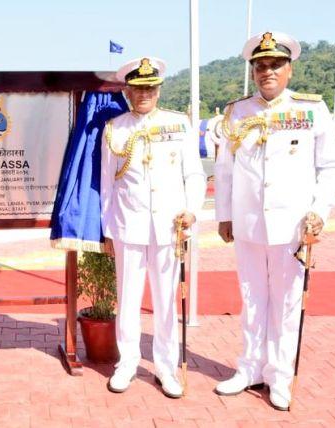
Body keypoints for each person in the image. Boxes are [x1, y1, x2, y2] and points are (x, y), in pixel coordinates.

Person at [214, 31, 335, 410]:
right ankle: (249, 367)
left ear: (289, 69)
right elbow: (224, 170)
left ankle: (279, 376)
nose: (266, 71)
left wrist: (319, 211)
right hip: (249, 222)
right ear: (253, 72)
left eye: (274, 65)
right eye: (260, 66)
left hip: (292, 225)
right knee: (252, 298)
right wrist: (224, 215)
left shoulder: (311, 110)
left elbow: (331, 166)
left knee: (287, 303)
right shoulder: (238, 112)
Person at [101, 57, 206, 398]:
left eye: (149, 87)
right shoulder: (116, 128)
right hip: (128, 225)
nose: (143, 93)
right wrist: (106, 229)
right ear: (127, 90)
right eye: (136, 88)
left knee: (165, 301)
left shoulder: (179, 125)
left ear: (158, 90)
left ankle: (165, 366)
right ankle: (128, 361)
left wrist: (192, 210)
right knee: (127, 298)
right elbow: (107, 184)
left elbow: (193, 173)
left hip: (168, 227)